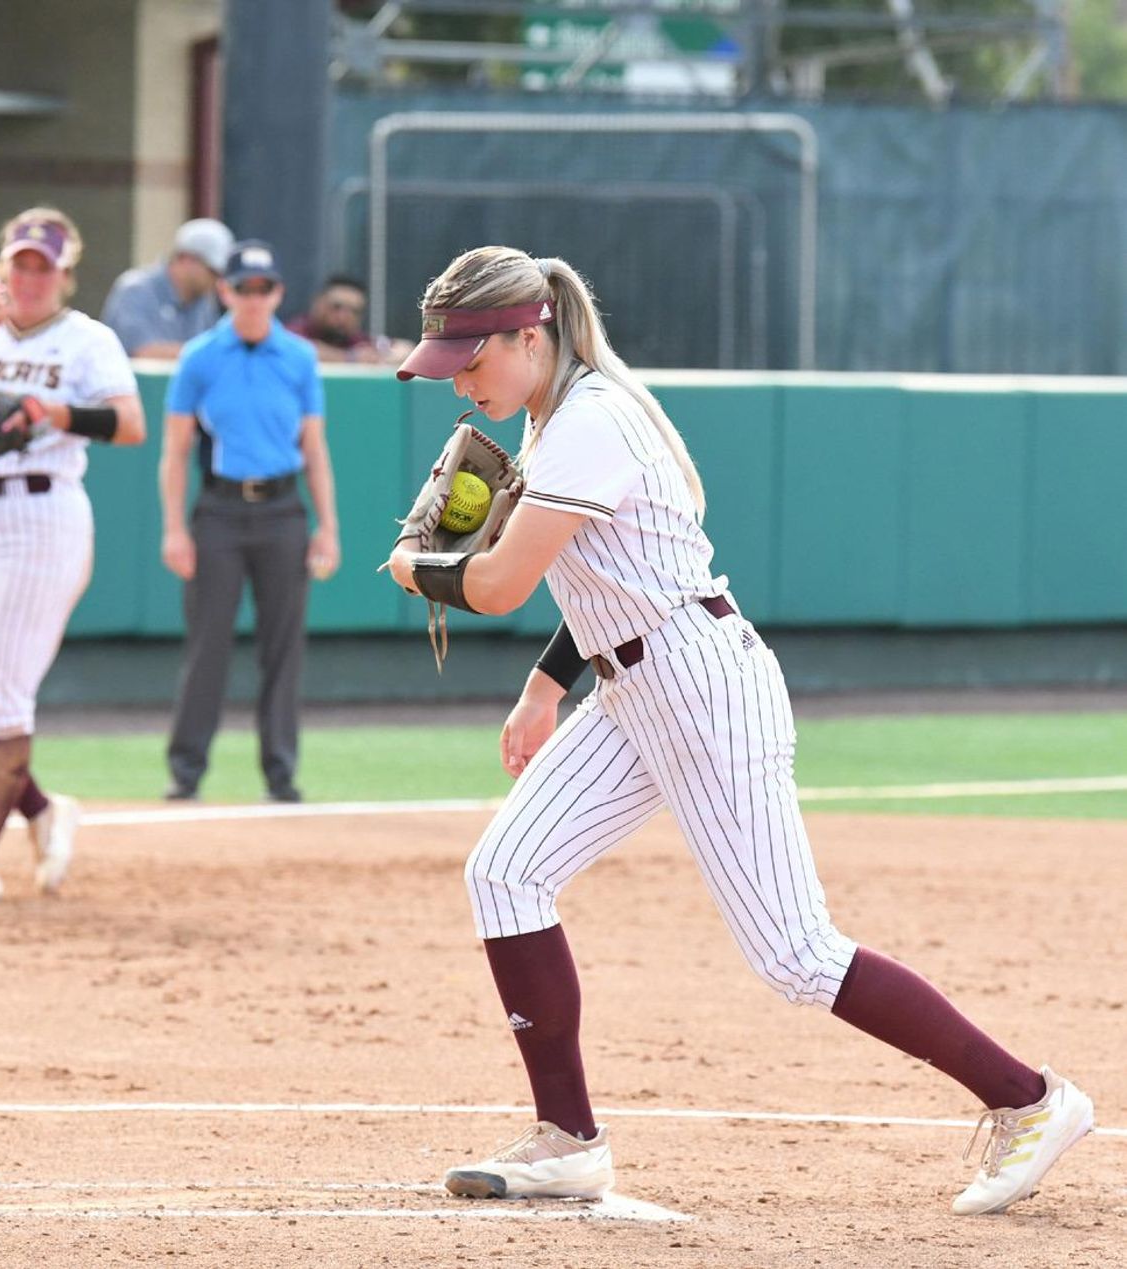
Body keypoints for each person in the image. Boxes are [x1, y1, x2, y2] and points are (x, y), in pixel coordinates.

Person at [385, 245, 1093, 1215]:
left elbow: (502, 582)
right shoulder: (560, 419)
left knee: (797, 955)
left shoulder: (589, 424)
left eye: (472, 358)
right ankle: (567, 1140)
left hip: (700, 686)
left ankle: (1030, 1101)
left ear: (529, 333)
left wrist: (414, 568)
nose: (459, 380)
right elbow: (610, 578)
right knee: (505, 872)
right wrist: (546, 689)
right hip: (632, 682)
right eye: (450, 363)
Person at [0, 208, 146, 899]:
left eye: (41, 267)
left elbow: (130, 423)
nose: (28, 278)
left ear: (64, 275)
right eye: (18, 263)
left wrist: (57, 415)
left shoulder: (86, 340)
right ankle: (43, 810)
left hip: (40, 513)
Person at [159, 239, 340, 804]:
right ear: (225, 291)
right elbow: (175, 450)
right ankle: (186, 772)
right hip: (218, 511)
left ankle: (281, 774)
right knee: (208, 643)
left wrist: (327, 527)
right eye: (243, 288)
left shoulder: (300, 358)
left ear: (278, 293)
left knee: (283, 647)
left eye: (264, 289)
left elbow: (315, 449)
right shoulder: (199, 357)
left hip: (284, 511)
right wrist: (174, 527)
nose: (254, 299)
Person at [100, 218, 234, 358]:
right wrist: (209, 353)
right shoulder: (135, 290)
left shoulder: (203, 300)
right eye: (213, 272)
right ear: (185, 259)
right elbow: (143, 352)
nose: (217, 280)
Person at [286, 274, 413, 365]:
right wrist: (350, 358)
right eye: (337, 307)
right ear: (317, 304)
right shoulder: (297, 331)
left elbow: (405, 349)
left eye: (354, 311)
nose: (345, 316)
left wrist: (383, 356)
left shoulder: (354, 340)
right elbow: (297, 350)